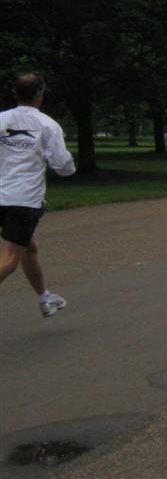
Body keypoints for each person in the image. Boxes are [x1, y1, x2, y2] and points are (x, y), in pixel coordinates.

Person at [0, 74, 76, 318]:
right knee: (10, 259)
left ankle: (45, 298)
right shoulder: (47, 125)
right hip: (23, 201)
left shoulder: (1, 119)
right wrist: (70, 168)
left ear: (16, 93)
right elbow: (62, 166)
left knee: (29, 248)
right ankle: (45, 298)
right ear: (40, 94)